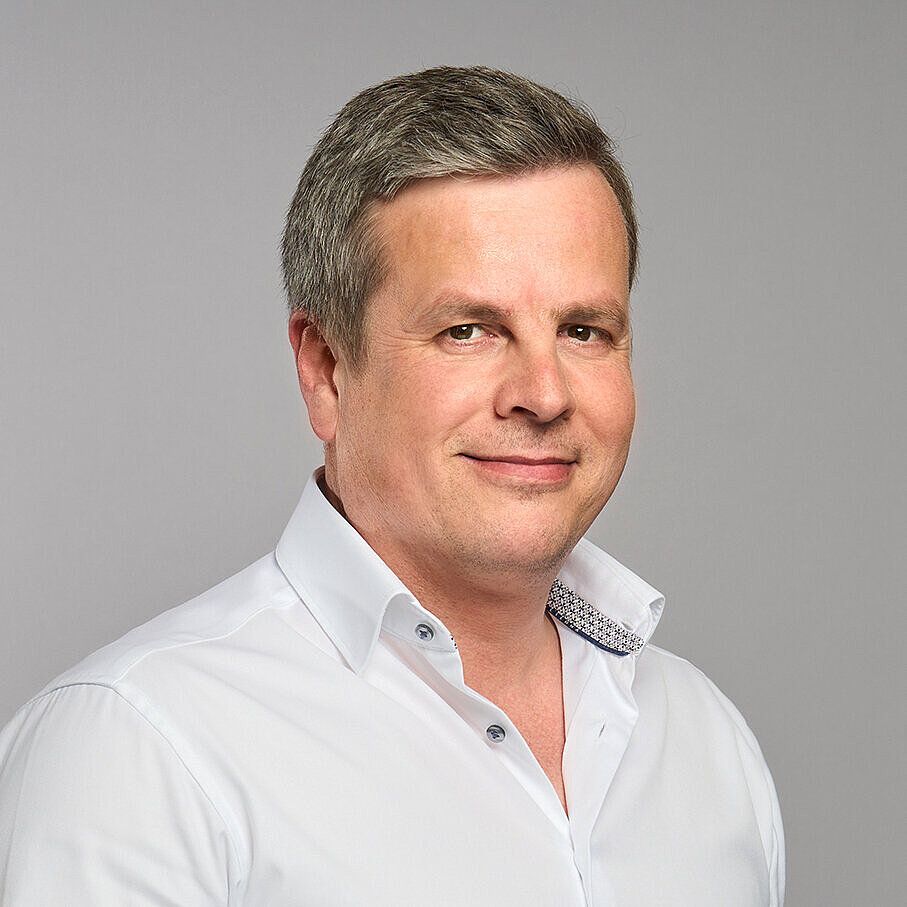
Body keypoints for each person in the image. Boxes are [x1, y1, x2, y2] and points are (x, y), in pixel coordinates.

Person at [0, 66, 785, 905]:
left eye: (584, 330)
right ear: (326, 370)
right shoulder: (140, 751)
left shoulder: (705, 742)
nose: (544, 393)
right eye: (468, 330)